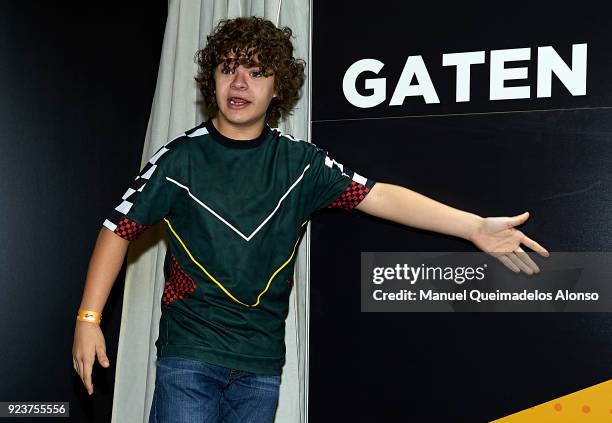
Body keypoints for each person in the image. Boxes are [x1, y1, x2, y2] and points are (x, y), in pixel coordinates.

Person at [72, 16, 549, 423]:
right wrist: (89, 318)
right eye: (228, 69)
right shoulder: (179, 160)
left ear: (277, 85)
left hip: (261, 367)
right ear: (211, 80)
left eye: (255, 72)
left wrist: (471, 226)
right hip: (189, 359)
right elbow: (120, 228)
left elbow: (380, 196)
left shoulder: (302, 164)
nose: (239, 83)